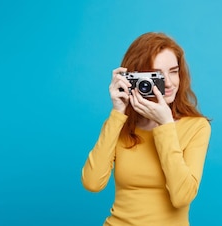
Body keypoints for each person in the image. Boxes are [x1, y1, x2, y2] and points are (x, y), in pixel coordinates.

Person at [81, 32, 211, 226]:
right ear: (135, 77)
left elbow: (182, 197)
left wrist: (165, 125)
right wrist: (118, 113)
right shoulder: (121, 125)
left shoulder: (196, 127)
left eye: (174, 71)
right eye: (156, 75)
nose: (168, 82)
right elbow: (92, 183)